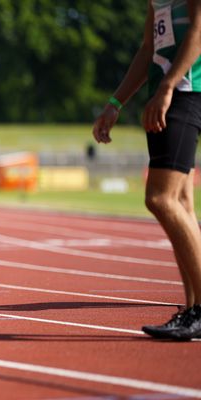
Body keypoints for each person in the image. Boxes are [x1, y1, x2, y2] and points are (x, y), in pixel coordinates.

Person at [93, 0, 201, 340]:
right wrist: (115, 103)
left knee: (160, 197)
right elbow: (149, 47)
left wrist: (168, 86)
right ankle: (192, 310)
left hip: (186, 90)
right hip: (169, 92)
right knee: (181, 200)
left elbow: (198, 31)